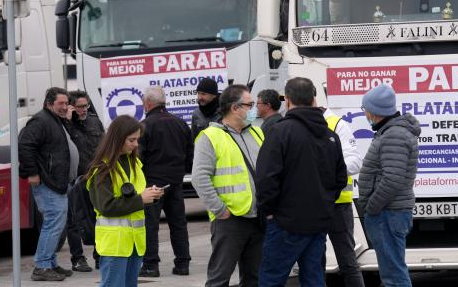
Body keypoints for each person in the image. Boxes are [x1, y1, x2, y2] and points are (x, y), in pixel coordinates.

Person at [256, 77, 347, 287]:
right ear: (314, 99)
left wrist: (269, 211)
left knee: (272, 279)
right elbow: (340, 179)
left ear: (288, 100)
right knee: (314, 278)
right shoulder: (330, 135)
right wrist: (324, 204)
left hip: (285, 223)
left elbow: (266, 178)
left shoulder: (280, 131)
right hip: (318, 222)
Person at [192, 84, 265, 287]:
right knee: (219, 278)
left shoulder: (257, 133)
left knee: (255, 278)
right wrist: (220, 210)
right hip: (230, 219)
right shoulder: (210, 137)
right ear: (235, 108)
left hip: (257, 217)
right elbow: (200, 178)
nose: (254, 109)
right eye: (250, 105)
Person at [87, 115, 165, 287]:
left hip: (135, 243)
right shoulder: (102, 169)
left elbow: (135, 195)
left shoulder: (134, 163)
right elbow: (106, 206)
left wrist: (150, 195)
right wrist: (141, 199)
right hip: (115, 245)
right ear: (118, 138)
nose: (136, 144)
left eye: (137, 139)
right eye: (131, 140)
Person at [357, 84, 420, 287]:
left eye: (366, 109)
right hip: (388, 212)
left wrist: (372, 207)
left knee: (393, 276)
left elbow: (392, 179)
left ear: (375, 110)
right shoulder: (390, 132)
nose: (365, 113)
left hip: (387, 213)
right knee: (391, 272)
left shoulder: (394, 135)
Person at [19, 87, 80, 281]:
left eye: (66, 103)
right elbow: (25, 145)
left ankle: (50, 263)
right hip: (48, 182)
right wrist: (32, 173)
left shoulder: (56, 120)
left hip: (58, 182)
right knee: (53, 223)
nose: (65, 107)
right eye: (61, 103)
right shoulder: (40, 121)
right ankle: (42, 266)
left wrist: (68, 121)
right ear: (48, 104)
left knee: (56, 224)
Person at [139, 86, 193, 277]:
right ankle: (183, 264)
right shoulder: (180, 123)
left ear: (148, 103)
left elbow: (139, 158)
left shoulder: (144, 126)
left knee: (150, 225)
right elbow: (190, 155)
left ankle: (150, 265)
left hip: (152, 183)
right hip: (176, 182)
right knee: (178, 224)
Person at [323, 109, 364, 287]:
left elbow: (355, 162)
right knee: (314, 262)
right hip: (312, 204)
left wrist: (325, 170)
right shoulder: (298, 124)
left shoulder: (336, 124)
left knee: (348, 261)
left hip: (338, 204)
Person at [66, 90, 105, 272]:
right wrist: (68, 120)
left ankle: (100, 255)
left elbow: (104, 145)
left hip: (95, 176)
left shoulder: (94, 121)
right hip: (75, 178)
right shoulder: (65, 124)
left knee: (98, 216)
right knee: (74, 219)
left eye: (86, 106)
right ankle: (78, 258)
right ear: (71, 107)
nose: (83, 110)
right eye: (79, 107)